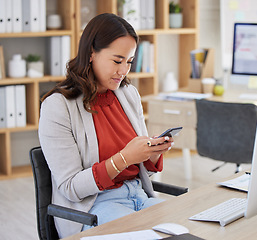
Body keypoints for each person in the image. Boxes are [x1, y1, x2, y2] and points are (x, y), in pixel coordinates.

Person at [38, 13, 174, 238]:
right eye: (117, 60)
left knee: (185, 230)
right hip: (93, 208)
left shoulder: (128, 94)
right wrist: (125, 158)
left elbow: (142, 172)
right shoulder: (58, 106)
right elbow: (71, 187)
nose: (123, 71)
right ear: (91, 53)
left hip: (138, 196)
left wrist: (151, 153)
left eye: (129, 62)